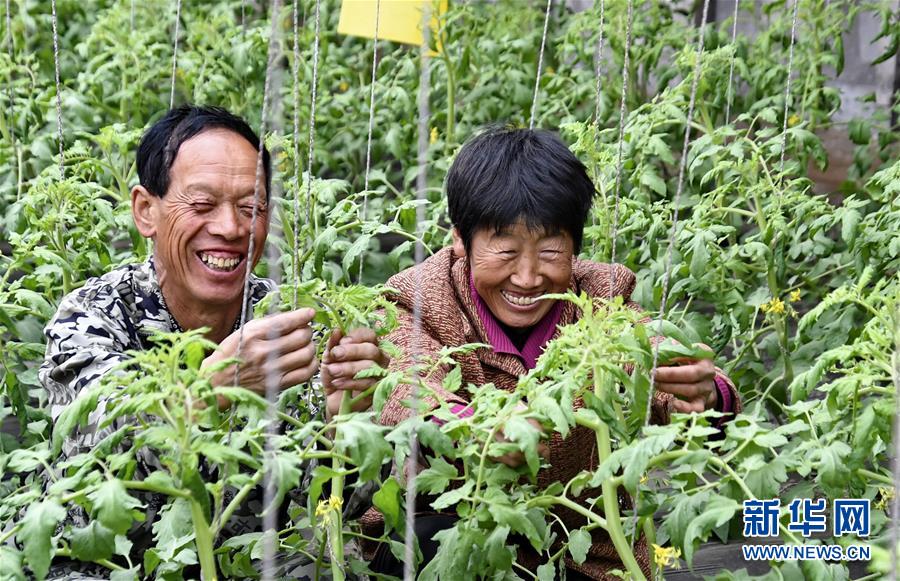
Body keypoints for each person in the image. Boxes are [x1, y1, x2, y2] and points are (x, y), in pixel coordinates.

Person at [364, 126, 741, 579]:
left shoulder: (602, 296)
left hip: (583, 552)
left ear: (575, 247)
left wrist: (701, 392)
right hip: (458, 535)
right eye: (505, 250)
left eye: (549, 250)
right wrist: (476, 431)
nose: (527, 277)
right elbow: (409, 387)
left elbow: (650, 353)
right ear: (460, 240)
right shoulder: (419, 299)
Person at [39, 105, 386, 578]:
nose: (230, 228)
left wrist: (346, 423)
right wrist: (207, 393)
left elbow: (323, 513)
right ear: (146, 210)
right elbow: (101, 447)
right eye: (202, 205)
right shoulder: (93, 315)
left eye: (251, 207)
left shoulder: (289, 323)